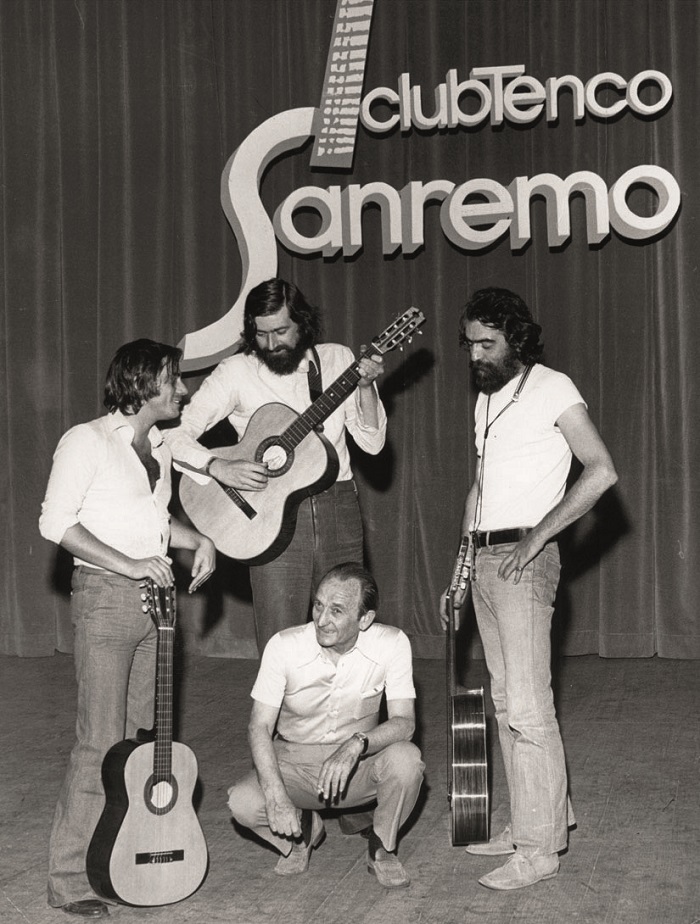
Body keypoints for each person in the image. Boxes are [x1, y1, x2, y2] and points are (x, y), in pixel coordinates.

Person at [441, 287, 617, 891]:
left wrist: (536, 538)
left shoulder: (553, 386)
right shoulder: (487, 401)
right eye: (470, 345)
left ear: (517, 338)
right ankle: (532, 824)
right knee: (508, 705)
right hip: (485, 560)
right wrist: (462, 569)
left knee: (528, 707)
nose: (476, 356)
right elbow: (480, 489)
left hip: (524, 562)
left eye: (487, 344)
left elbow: (601, 470)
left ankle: (540, 852)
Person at [39, 339, 216, 919]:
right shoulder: (86, 441)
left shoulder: (159, 447)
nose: (183, 391)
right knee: (99, 741)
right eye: (174, 381)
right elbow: (56, 523)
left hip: (156, 604)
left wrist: (199, 540)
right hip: (107, 601)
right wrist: (133, 564)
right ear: (142, 384)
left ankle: (122, 857)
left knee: (142, 745)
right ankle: (67, 880)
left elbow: (153, 524)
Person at [166, 277, 387, 654]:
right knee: (280, 640)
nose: (271, 344)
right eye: (262, 333)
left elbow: (372, 442)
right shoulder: (236, 371)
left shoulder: (336, 359)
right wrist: (218, 466)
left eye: (281, 331)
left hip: (338, 506)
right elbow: (174, 437)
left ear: (302, 323)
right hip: (268, 514)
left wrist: (365, 388)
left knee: (348, 632)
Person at [227, 562, 424, 889]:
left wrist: (356, 744)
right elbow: (258, 727)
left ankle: (381, 847)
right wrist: (276, 796)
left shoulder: (392, 644)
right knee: (243, 803)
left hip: (357, 767)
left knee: (407, 760)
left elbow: (405, 723)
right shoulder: (285, 646)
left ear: (365, 619)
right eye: (318, 605)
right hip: (293, 763)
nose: (321, 619)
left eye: (336, 611)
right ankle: (303, 832)